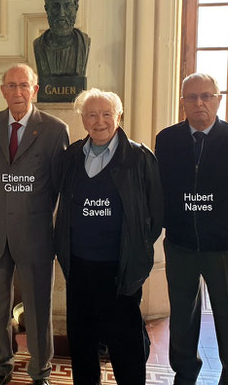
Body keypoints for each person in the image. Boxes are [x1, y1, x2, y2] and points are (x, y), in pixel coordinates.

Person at [54, 88, 162, 384]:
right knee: (82, 339)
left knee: (124, 341)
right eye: (91, 115)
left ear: (118, 116)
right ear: (83, 119)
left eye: (106, 114)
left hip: (120, 268)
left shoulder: (140, 157)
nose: (99, 121)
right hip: (79, 264)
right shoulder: (72, 156)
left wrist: (135, 249)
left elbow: (154, 214)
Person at [155, 74, 228, 385]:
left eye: (207, 96)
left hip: (223, 245)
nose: (199, 103)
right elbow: (162, 188)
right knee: (182, 316)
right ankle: (184, 373)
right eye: (192, 97)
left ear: (219, 100)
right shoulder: (167, 139)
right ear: (182, 102)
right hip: (181, 242)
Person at [0, 64, 69, 385]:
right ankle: (0, 365)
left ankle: (40, 371)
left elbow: (59, 186)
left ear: (35, 90)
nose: (17, 92)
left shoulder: (55, 130)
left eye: (24, 85)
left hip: (36, 236)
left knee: (37, 310)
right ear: (3, 90)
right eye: (11, 86)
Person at [33, 0, 90, 78]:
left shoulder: (84, 44)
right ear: (47, 9)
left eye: (67, 5)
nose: (62, 14)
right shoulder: (38, 45)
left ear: (76, 7)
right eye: (55, 6)